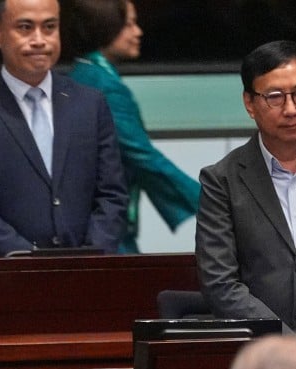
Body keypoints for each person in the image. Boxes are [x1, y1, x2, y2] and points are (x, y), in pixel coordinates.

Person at [0, 0, 127, 256]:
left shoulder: (91, 105)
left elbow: (112, 195)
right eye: (25, 27)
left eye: (49, 27)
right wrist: (31, 261)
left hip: (88, 273)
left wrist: (91, 256)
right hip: (12, 275)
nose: (39, 40)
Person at [197, 41, 296, 333]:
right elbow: (220, 283)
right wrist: (287, 343)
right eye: (275, 97)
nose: (291, 109)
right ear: (250, 104)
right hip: (259, 356)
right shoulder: (222, 181)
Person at [65, 0, 200, 253]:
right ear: (105, 28)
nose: (138, 32)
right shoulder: (104, 85)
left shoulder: (82, 74)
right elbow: (142, 155)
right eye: (129, 24)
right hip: (105, 229)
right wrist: (208, 200)